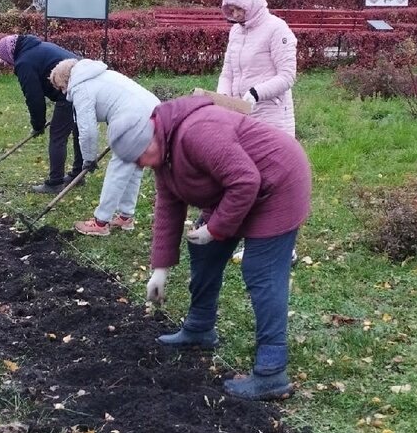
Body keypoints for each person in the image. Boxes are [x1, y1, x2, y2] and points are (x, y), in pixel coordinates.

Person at [109, 94, 311, 402]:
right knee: (203, 250)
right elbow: (168, 207)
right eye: (136, 162)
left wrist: (215, 229)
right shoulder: (162, 151)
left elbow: (245, 181)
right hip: (236, 189)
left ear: (151, 133)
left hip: (278, 183)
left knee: (262, 271)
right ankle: (200, 329)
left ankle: (272, 372)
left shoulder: (198, 131)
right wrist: (159, 269)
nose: (142, 163)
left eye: (141, 155)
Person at [48, 58, 159, 236]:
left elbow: (88, 130)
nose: (63, 93)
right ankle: (125, 217)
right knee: (133, 166)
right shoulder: (99, 75)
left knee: (118, 170)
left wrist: (89, 159)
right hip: (155, 113)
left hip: (135, 120)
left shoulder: (80, 88)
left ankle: (101, 223)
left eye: (61, 88)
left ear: (65, 80)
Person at [0, 33, 83, 193]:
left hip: (70, 90)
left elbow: (34, 98)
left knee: (57, 135)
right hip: (85, 84)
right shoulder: (40, 48)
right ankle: (78, 175)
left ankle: (55, 183)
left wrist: (38, 125)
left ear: (9, 53)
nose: (4, 62)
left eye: (3, 57)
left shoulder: (24, 62)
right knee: (79, 131)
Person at [217, 0, 298, 135]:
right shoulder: (235, 32)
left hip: (271, 117)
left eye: (239, 9)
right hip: (240, 117)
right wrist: (223, 98)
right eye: (232, 10)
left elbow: (287, 76)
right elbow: (227, 73)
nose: (236, 15)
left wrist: (256, 93)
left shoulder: (276, 29)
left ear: (251, 3)